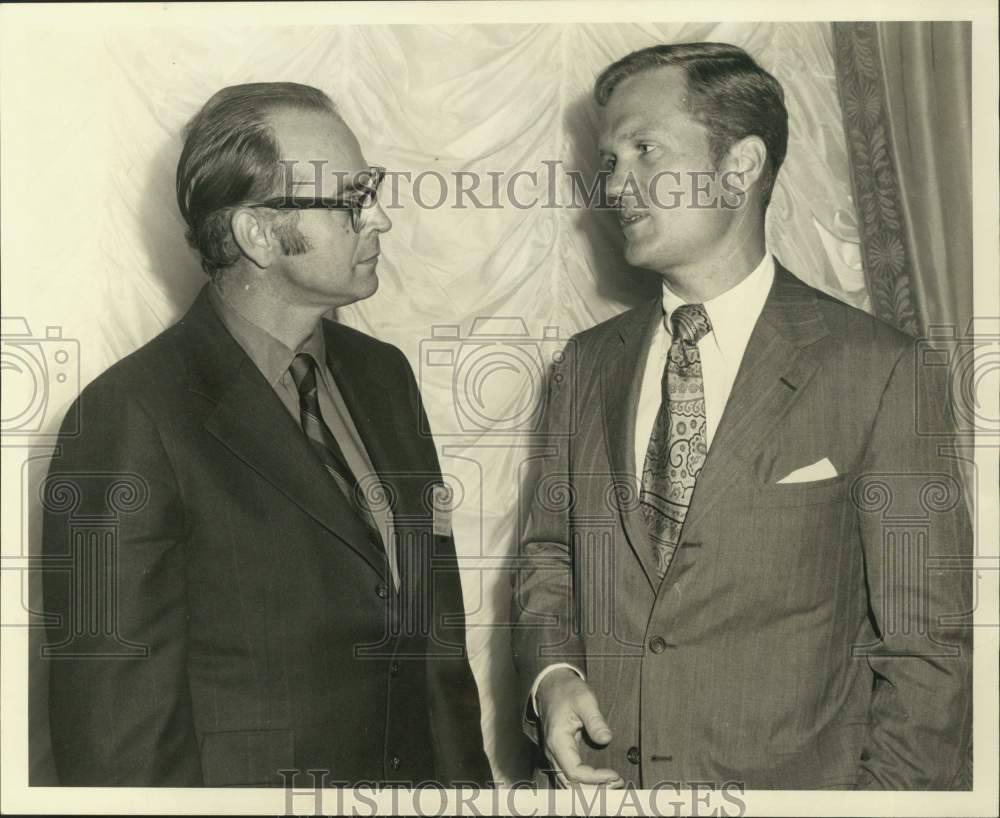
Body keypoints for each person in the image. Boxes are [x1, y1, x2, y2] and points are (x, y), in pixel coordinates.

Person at [512, 43, 972, 790]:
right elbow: (547, 557)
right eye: (609, 158)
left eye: (644, 150)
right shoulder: (584, 366)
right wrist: (554, 677)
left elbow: (927, 650)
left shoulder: (882, 370)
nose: (616, 184)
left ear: (741, 166)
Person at [41, 82, 491, 787]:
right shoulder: (126, 417)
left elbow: (436, 647)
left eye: (369, 190)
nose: (379, 221)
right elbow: (115, 747)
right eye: (349, 200)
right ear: (256, 233)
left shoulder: (384, 378)